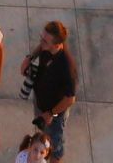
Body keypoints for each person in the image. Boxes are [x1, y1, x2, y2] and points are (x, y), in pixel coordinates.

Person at [23, 21, 77, 160]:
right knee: (44, 134)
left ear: (57, 44)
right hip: (41, 103)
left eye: (45, 41)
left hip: (54, 114)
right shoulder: (47, 47)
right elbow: (41, 47)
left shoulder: (66, 67)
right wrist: (30, 58)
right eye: (42, 38)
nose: (41, 42)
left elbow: (70, 99)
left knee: (54, 146)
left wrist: (50, 114)